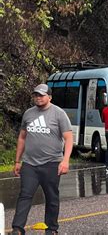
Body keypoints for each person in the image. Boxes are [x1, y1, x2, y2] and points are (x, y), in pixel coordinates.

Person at [11, 84, 73, 235]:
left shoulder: (59, 114)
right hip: (30, 163)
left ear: (49, 97)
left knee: (51, 196)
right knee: (25, 195)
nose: (38, 98)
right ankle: (17, 229)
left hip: (51, 163)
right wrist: (17, 161)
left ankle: (51, 229)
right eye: (36, 95)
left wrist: (65, 161)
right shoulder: (28, 114)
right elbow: (22, 137)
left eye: (41, 95)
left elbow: (69, 138)